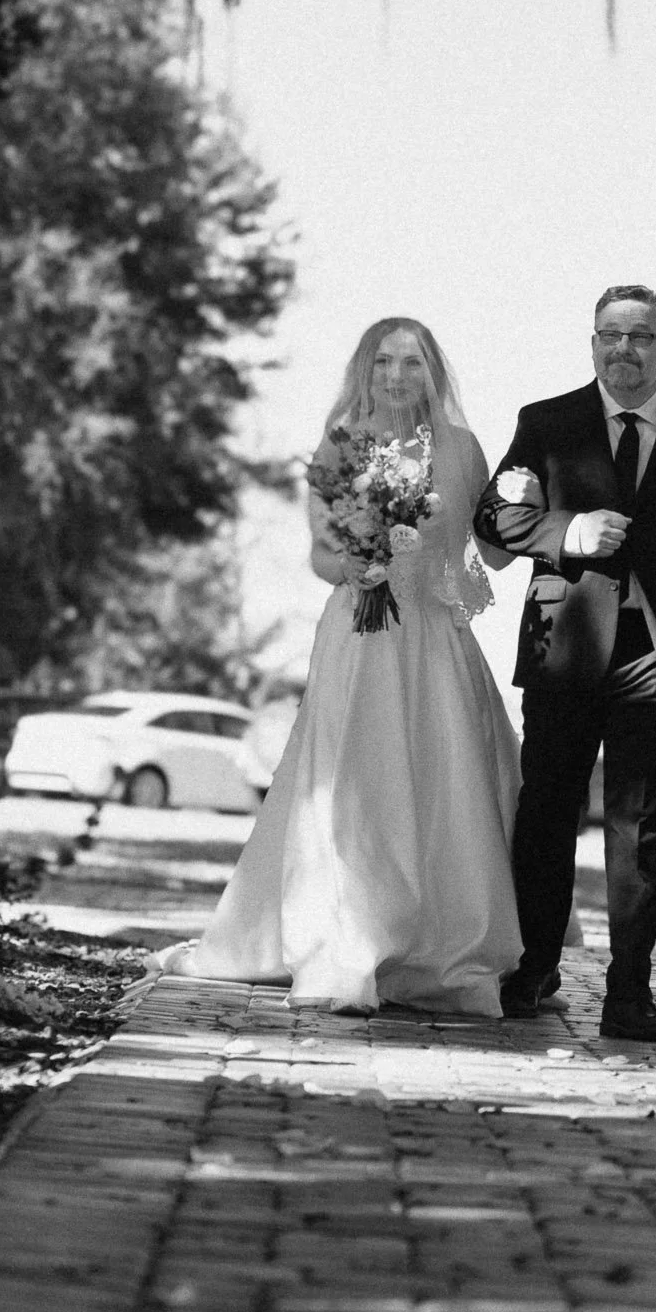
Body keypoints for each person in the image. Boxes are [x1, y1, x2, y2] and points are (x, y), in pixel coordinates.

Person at [159, 319, 524, 1016]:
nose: (397, 374)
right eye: (383, 361)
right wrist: (360, 560)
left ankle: (446, 951)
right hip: (362, 634)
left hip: (435, 636)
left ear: (433, 372)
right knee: (354, 784)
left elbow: (488, 547)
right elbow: (321, 555)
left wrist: (520, 502)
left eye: (411, 362)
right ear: (364, 369)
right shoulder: (340, 444)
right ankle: (347, 940)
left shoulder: (463, 448)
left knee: (445, 779)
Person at [476, 285, 656, 1043]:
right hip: (563, 650)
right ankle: (534, 968)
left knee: (638, 827)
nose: (625, 349)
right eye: (612, 333)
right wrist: (568, 534)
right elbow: (493, 517)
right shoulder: (546, 423)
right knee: (547, 815)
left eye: (643, 336)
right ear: (592, 341)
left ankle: (628, 996)